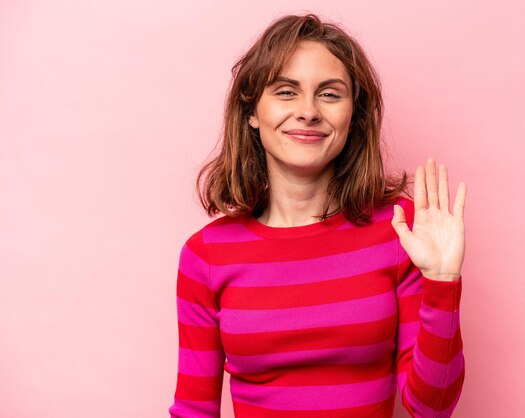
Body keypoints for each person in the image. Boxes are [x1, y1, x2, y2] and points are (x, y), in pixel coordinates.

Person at [169, 13, 467, 418]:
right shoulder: (206, 256)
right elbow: (194, 410)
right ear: (253, 112)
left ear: (353, 116)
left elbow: (431, 408)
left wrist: (442, 283)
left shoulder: (401, 232)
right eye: (286, 92)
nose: (308, 111)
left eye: (329, 94)